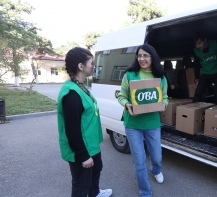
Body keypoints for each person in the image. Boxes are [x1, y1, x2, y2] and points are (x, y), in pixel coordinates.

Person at [57, 47, 112, 197]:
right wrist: (83, 156)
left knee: (96, 170)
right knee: (81, 185)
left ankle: (95, 193)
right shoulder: (72, 94)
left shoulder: (80, 86)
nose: (94, 66)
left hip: (91, 144)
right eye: (91, 63)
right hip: (81, 149)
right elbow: (72, 130)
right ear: (81, 66)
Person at [117, 44, 169, 197]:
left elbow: (165, 97)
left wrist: (163, 104)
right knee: (139, 161)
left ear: (153, 57)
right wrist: (127, 105)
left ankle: (156, 169)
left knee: (157, 156)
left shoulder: (160, 77)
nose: (142, 59)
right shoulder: (129, 75)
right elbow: (121, 96)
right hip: (133, 125)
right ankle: (145, 192)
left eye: (145, 55)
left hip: (152, 123)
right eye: (139, 56)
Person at [193, 36, 217, 104]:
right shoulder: (196, 51)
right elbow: (196, 65)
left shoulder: (215, 44)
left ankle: (214, 112)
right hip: (206, 73)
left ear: (205, 40)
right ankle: (193, 111)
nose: (198, 46)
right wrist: (197, 78)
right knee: (198, 92)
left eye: (199, 43)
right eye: (196, 44)